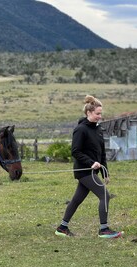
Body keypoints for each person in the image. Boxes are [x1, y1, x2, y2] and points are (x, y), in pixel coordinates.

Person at [55, 95, 122, 238]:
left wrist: (105, 173)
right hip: (84, 171)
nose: (100, 116)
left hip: (93, 172)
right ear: (88, 113)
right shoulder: (81, 129)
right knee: (105, 195)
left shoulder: (98, 130)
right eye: (97, 113)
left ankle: (62, 227)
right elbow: (75, 151)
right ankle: (104, 230)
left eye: (101, 113)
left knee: (76, 200)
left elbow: (102, 152)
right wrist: (91, 163)